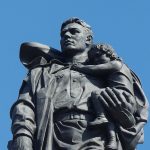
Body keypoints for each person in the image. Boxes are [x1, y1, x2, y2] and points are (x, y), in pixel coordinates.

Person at [9, 17, 148, 150]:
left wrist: (124, 115)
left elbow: (131, 110)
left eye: (74, 31)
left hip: (96, 137)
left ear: (88, 39)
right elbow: (24, 107)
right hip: (50, 136)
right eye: (63, 34)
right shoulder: (41, 73)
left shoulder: (107, 68)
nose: (67, 36)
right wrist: (23, 138)